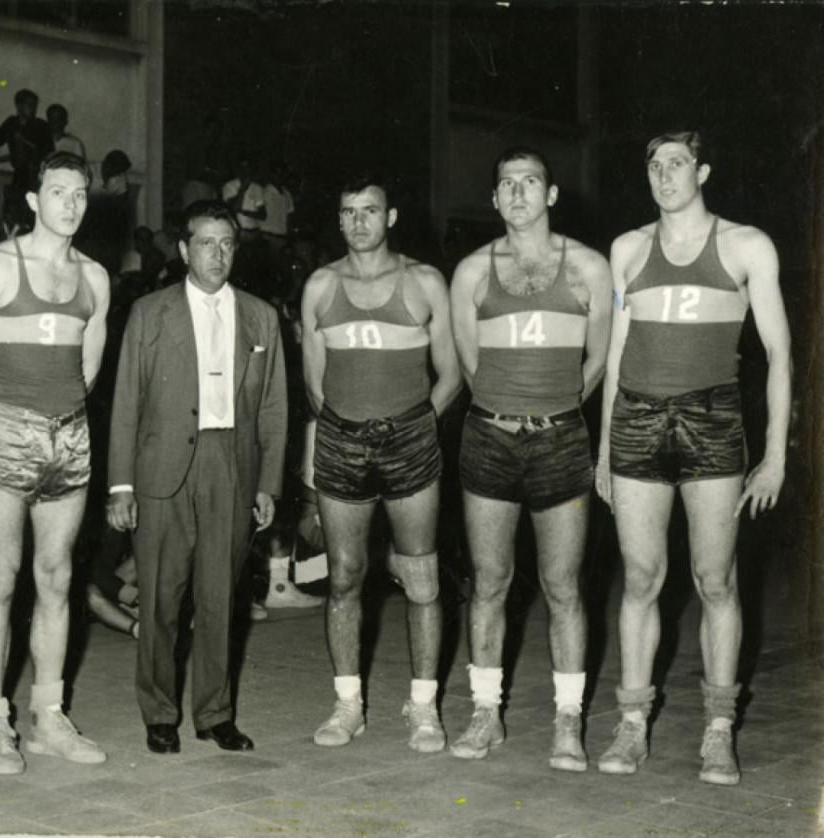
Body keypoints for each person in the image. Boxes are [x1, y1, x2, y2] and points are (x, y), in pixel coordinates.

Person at [595, 131, 791, 786]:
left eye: (676, 163)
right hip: (637, 422)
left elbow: (779, 356)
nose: (663, 175)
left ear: (703, 170)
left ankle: (717, 728)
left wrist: (774, 459)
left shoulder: (745, 245)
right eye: (652, 165)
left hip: (712, 422)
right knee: (641, 577)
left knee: (715, 580)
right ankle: (631, 722)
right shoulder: (627, 249)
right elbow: (619, 357)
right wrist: (603, 453)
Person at [0, 151, 111, 775]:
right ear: (34, 201)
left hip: (68, 436)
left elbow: (87, 370)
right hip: (5, 431)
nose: (70, 203)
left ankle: (47, 715)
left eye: (80, 194)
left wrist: (58, 422)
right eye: (58, 191)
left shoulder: (95, 277)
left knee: (58, 577)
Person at [448, 147, 612, 770]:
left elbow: (597, 362)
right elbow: (469, 364)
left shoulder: (588, 268)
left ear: (552, 194)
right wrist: (507, 408)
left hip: (561, 439)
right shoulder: (470, 272)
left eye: (530, 183)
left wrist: (553, 411)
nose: (518, 193)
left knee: (563, 585)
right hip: (488, 436)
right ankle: (485, 714)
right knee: (489, 582)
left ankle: (568, 723)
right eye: (506, 185)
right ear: (494, 200)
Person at [106, 199, 287, 755]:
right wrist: (121, 485)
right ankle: (160, 713)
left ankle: (215, 712)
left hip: (229, 465)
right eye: (206, 243)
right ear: (185, 250)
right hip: (162, 469)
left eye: (227, 244)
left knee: (220, 599)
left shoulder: (260, 316)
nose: (217, 255)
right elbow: (126, 403)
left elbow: (275, 407)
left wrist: (268, 484)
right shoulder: (150, 313)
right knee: (160, 597)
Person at [300, 173, 461, 753]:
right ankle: (348, 704)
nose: (359, 222)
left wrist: (416, 426)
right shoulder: (320, 285)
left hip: (411, 443)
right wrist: (347, 428)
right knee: (343, 575)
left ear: (391, 217)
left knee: (420, 576)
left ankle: (423, 707)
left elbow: (452, 373)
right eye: (349, 212)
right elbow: (314, 385)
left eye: (370, 210)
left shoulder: (423, 281)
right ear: (339, 220)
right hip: (342, 443)